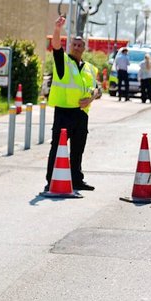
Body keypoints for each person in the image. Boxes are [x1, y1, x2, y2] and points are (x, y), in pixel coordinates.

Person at [45, 15, 101, 192]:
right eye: (74, 45)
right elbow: (55, 46)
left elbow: (97, 90)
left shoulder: (91, 68)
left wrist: (91, 98)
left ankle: (77, 180)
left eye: (79, 45)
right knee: (57, 148)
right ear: (70, 47)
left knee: (78, 149)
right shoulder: (64, 61)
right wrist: (57, 29)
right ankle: (51, 180)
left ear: (85, 48)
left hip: (81, 114)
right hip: (63, 112)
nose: (76, 47)